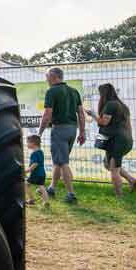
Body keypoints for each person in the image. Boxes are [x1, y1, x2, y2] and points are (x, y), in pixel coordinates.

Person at [37, 67, 85, 204]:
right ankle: (51, 188)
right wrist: (82, 132)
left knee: (63, 162)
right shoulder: (74, 91)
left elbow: (47, 115)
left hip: (59, 130)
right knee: (58, 161)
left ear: (54, 77)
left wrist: (39, 133)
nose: (46, 79)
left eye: (47, 76)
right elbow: (81, 114)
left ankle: (71, 193)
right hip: (72, 130)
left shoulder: (52, 91)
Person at [95, 82, 136, 197]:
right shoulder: (123, 106)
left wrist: (93, 115)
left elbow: (104, 122)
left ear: (103, 94)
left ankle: (119, 196)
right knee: (107, 164)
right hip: (125, 138)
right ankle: (131, 180)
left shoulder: (110, 105)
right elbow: (129, 125)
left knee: (114, 169)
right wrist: (129, 139)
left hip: (115, 140)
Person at [25, 133, 51, 206]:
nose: (27, 144)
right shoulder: (40, 152)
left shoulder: (34, 153)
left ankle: (31, 199)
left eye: (27, 142)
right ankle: (46, 201)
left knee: (26, 184)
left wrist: (27, 170)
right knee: (41, 187)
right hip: (42, 173)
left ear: (33, 143)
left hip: (35, 174)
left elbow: (35, 164)